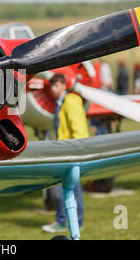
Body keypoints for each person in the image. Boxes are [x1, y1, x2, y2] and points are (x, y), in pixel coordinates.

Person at [42, 73, 88, 233]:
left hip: (71, 152)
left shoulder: (71, 102)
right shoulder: (61, 103)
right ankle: (74, 221)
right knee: (72, 188)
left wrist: (78, 150)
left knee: (65, 189)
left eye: (55, 85)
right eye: (51, 86)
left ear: (63, 85)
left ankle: (63, 222)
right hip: (66, 150)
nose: (52, 89)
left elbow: (79, 129)